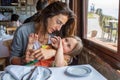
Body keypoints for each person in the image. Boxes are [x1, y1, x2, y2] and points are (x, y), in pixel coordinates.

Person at [10, 1, 76, 65]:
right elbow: (12, 59)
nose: (58, 29)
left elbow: (69, 58)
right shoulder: (22, 31)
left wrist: (53, 52)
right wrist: (23, 60)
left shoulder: (58, 34)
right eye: (58, 22)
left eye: (62, 25)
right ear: (47, 15)